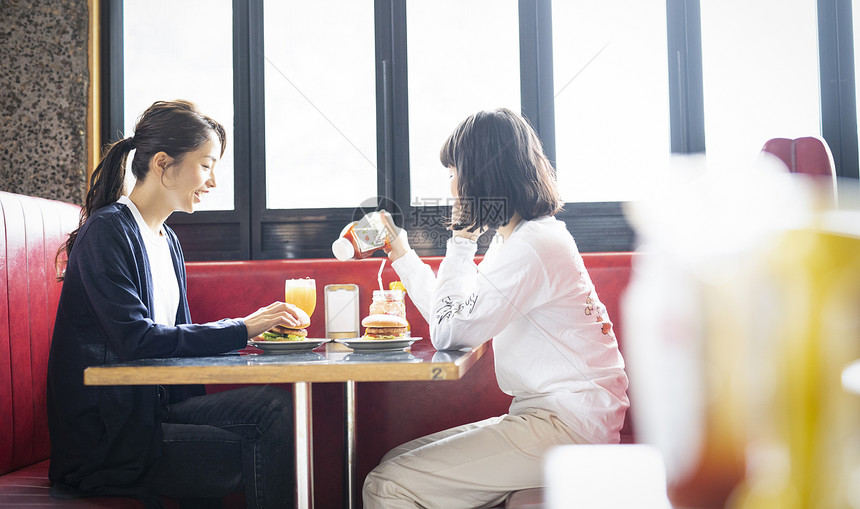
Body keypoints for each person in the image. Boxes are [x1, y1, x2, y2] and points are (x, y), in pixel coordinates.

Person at [363, 108, 630, 508]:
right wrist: (400, 251)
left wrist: (460, 239)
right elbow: (451, 316)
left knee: (388, 485)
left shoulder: (531, 246)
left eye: (453, 173)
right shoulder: (517, 240)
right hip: (555, 416)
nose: (451, 186)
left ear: (479, 178)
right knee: (394, 463)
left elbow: (448, 333)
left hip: (569, 426)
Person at [47, 100, 301, 509]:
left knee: (274, 405)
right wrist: (242, 327)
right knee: (260, 436)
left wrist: (258, 340)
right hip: (111, 439)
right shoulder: (108, 233)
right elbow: (137, 340)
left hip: (155, 413)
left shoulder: (167, 239)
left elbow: (173, 347)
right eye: (206, 164)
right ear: (163, 163)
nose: (213, 181)